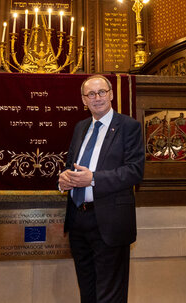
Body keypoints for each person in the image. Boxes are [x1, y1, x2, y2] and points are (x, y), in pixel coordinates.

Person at [58, 75, 145, 303]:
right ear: (83, 100)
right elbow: (71, 165)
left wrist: (93, 179)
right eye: (91, 94)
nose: (97, 98)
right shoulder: (80, 127)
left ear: (111, 94)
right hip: (78, 220)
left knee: (110, 295)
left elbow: (135, 171)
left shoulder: (129, 126)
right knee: (87, 291)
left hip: (110, 221)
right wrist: (65, 179)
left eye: (102, 92)